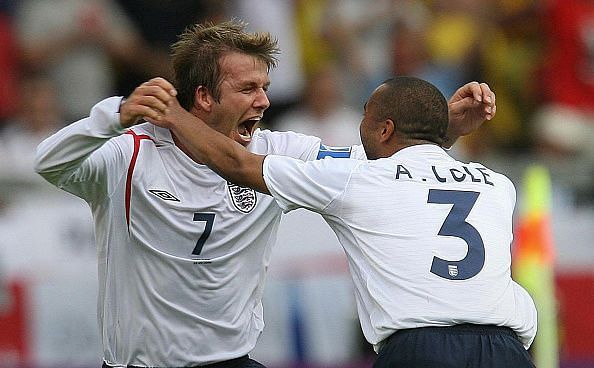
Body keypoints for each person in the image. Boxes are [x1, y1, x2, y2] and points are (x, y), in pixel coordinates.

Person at [34, 20, 497, 367]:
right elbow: (49, 162)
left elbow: (378, 163)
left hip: (233, 362)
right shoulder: (128, 155)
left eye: (266, 87)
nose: (264, 101)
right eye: (248, 88)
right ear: (203, 97)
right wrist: (111, 116)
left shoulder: (280, 152)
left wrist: (443, 130)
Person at [151, 75, 536, 367]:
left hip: (421, 348)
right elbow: (421, 170)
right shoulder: (497, 185)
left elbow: (237, 163)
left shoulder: (358, 180)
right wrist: (438, 126)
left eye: (365, 119)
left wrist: (175, 116)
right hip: (507, 347)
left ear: (385, 129)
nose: (360, 128)